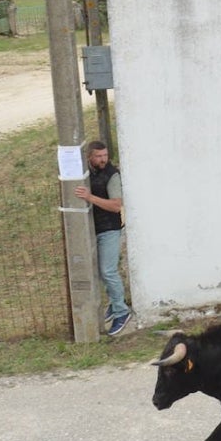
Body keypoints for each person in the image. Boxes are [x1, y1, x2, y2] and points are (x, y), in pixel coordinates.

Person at [73, 140, 131, 335]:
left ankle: (122, 312)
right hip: (93, 229)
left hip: (110, 228)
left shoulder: (112, 175)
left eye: (105, 155)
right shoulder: (86, 172)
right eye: (99, 156)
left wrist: (90, 198)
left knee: (108, 271)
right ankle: (114, 304)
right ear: (89, 157)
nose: (103, 159)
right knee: (100, 271)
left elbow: (116, 206)